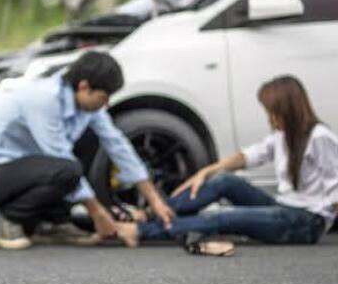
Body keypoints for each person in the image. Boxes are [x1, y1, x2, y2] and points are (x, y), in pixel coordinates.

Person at [0, 51, 174, 250]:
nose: (107, 104)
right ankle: (7, 216)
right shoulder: (44, 98)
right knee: (68, 169)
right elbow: (59, 156)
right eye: (104, 97)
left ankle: (54, 221)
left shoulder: (87, 107)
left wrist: (154, 200)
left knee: (89, 143)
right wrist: (98, 213)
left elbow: (117, 144)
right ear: (84, 87)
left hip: (25, 168)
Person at [116, 75, 338, 255]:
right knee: (225, 181)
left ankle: (140, 230)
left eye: (271, 111)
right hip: (285, 208)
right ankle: (151, 214)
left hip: (307, 223)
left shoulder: (320, 137)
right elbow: (248, 157)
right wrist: (206, 171)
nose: (269, 117)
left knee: (222, 216)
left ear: (286, 109)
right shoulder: (282, 135)